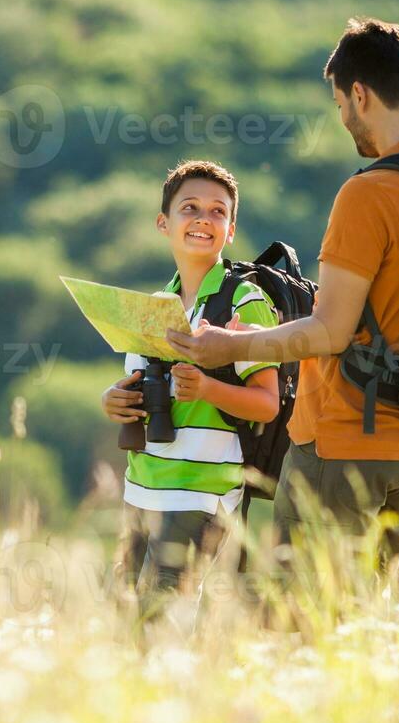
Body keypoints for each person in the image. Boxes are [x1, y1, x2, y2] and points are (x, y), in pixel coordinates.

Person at [166, 18, 399, 561]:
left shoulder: (370, 194)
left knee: (286, 627)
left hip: (343, 444)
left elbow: (330, 331)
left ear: (360, 95)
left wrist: (234, 346)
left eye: (342, 104)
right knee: (357, 626)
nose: (344, 119)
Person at [100, 160, 281, 622]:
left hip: (203, 488)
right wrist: (115, 401)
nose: (204, 219)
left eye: (218, 212)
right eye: (190, 208)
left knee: (158, 616)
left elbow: (267, 403)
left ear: (231, 229)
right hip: (143, 485)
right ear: (163, 223)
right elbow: (144, 388)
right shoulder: (157, 303)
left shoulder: (245, 301)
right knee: (122, 613)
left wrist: (205, 388)